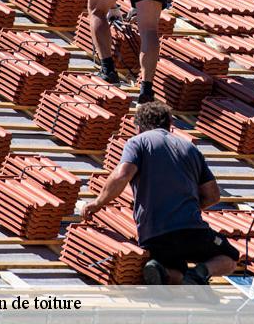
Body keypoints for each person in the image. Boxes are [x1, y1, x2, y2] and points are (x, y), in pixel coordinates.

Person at [82, 101, 239, 285]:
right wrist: (186, 207)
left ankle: (163, 271)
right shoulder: (190, 148)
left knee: (171, 266)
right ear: (169, 125)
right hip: (192, 230)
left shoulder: (138, 142)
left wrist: (98, 203)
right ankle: (199, 273)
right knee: (230, 258)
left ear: (139, 127)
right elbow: (213, 195)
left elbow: (122, 175)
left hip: (154, 235)